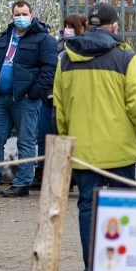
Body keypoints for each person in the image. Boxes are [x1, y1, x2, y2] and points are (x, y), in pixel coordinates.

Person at [53, 2, 136, 271]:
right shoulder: (125, 57)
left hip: (83, 148)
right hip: (121, 147)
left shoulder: (66, 58)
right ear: (115, 26)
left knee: (88, 207)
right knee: (123, 206)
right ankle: (119, 268)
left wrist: (67, 139)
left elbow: (59, 109)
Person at [0, 0, 58, 198]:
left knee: (26, 141)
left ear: (31, 14)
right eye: (17, 14)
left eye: (24, 14)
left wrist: (34, 93)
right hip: (1, 97)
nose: (21, 18)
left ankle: (22, 183)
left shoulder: (44, 39)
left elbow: (49, 69)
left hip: (25, 99)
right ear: (12, 16)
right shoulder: (5, 37)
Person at [32, 13, 89, 191]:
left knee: (69, 138)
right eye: (66, 26)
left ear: (83, 28)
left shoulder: (86, 48)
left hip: (71, 102)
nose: (68, 30)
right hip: (49, 99)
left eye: (72, 26)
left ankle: (71, 177)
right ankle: (43, 174)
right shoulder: (56, 46)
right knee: (45, 137)